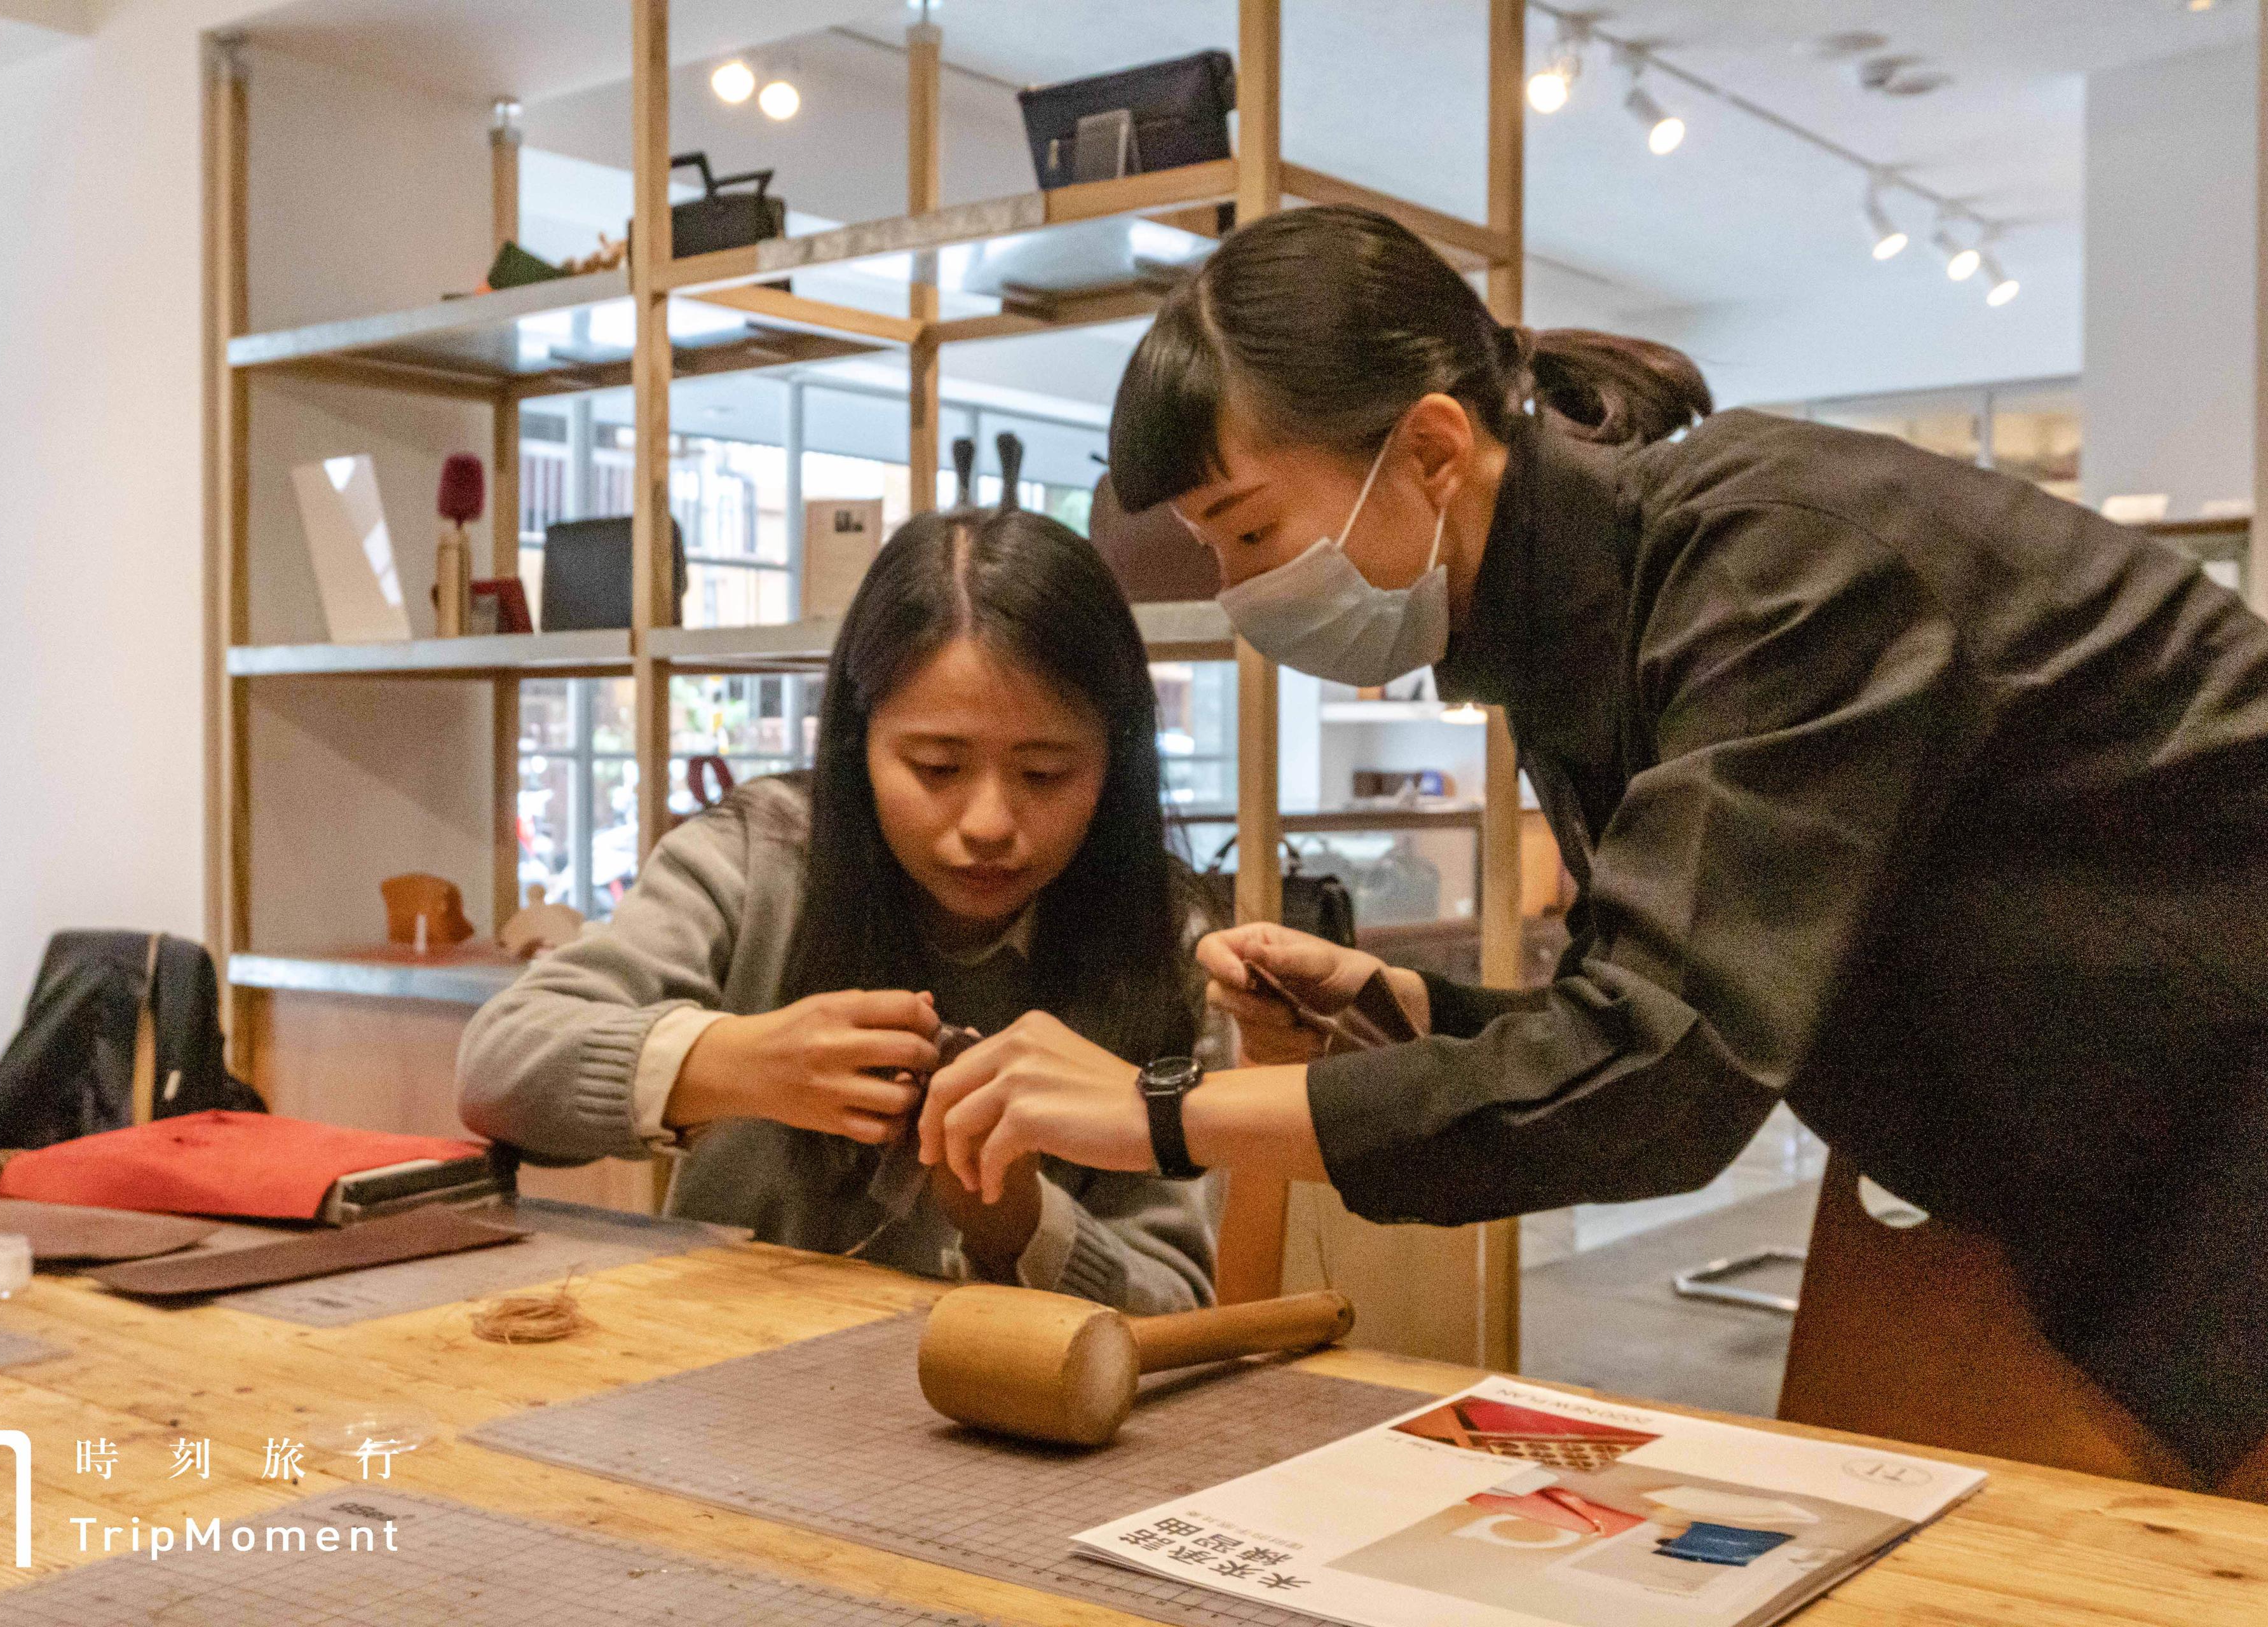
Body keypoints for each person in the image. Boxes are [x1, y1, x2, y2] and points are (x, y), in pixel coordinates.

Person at [918, 203, 2268, 1490]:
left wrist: (1162, 1111)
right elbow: (1649, 1006)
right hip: (2039, 1139)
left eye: (1254, 531)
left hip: (2211, 1147)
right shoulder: (1573, 631)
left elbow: (1661, 1079)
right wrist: (1406, 1007)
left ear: (1435, 449)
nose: (1241, 593)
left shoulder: (1777, 566)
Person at [459, 506, 1217, 1312]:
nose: (990, 823)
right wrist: (742, 1062)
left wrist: (1023, 1223)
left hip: (1014, 1415)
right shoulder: (758, 859)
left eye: (1044, 773)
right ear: (858, 746)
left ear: (1116, 763)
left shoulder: (1167, 944)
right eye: (936, 766)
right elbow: (498, 1066)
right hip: (718, 1374)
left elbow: (1177, 1303)